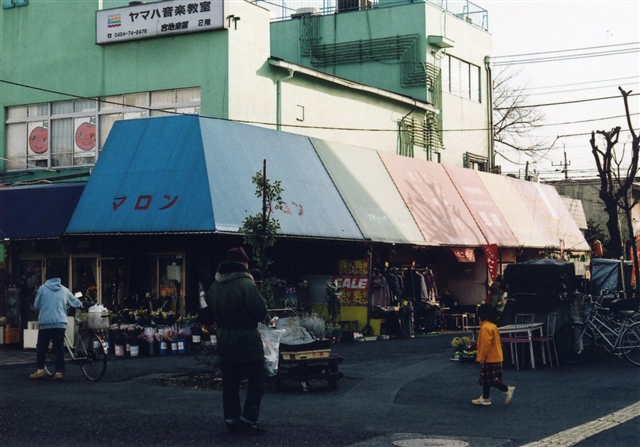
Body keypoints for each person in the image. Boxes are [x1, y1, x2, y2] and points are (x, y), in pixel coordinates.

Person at [207, 247, 268, 436]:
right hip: (246, 339)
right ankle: (248, 419)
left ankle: (231, 419)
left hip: (224, 338)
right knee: (258, 378)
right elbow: (260, 312)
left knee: (230, 383)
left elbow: (209, 308)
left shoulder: (215, 285)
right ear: (243, 263)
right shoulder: (246, 285)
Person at [30, 266, 83, 381]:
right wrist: (81, 304)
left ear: (47, 277)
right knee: (58, 347)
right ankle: (59, 372)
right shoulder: (64, 290)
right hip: (60, 323)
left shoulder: (42, 289)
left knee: (42, 347)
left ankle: (40, 370)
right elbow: (75, 301)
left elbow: (36, 305)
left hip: (46, 323)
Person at [472, 303, 515, 406]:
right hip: (497, 357)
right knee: (487, 380)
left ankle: (507, 390)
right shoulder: (493, 326)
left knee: (489, 379)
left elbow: (485, 345)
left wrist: (481, 357)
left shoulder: (485, 328)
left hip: (489, 358)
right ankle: (485, 398)